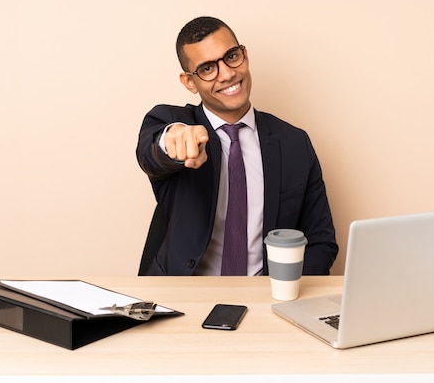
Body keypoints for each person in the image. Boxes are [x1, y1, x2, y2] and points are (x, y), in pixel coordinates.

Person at [136, 16, 338, 276]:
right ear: (189, 82)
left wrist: (280, 291)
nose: (228, 74)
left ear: (244, 55)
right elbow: (152, 152)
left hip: (266, 298)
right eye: (207, 68)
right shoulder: (172, 123)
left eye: (231, 57)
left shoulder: (294, 144)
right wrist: (172, 141)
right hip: (185, 298)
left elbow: (321, 242)